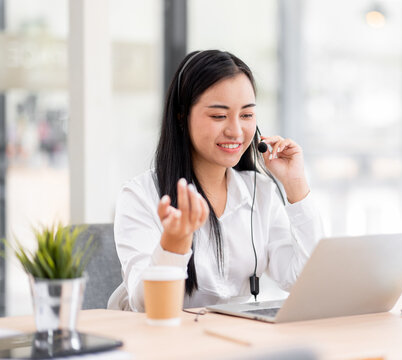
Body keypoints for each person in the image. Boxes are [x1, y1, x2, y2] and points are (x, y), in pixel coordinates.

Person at [108, 50, 324, 311]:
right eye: (219, 116)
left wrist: (296, 185)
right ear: (181, 116)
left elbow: (305, 280)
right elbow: (147, 306)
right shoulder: (140, 196)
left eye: (246, 115)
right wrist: (175, 242)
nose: (235, 131)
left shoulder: (260, 191)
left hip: (233, 342)